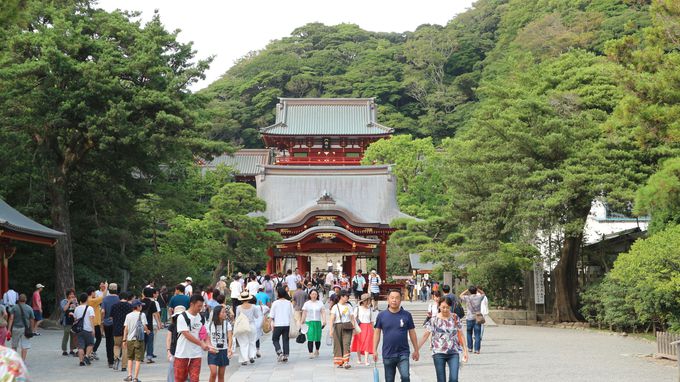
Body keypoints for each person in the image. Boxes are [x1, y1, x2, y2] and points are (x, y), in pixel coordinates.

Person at [417, 297, 468, 382]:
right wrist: (416, 349)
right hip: (438, 353)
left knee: (454, 379)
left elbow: (461, 335)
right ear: (439, 306)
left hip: (453, 352)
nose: (445, 309)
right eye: (443, 307)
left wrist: (465, 350)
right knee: (441, 380)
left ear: (450, 307)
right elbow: (425, 335)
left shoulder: (455, 317)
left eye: (447, 307)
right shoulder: (434, 319)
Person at [373, 289, 420, 382]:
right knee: (389, 379)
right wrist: (374, 350)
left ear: (401, 300)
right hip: (388, 353)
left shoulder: (407, 315)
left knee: (405, 376)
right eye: (392, 298)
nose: (394, 300)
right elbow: (377, 333)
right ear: (388, 299)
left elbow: (412, 332)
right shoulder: (381, 315)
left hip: (403, 352)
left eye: (397, 298)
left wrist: (416, 350)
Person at [175, 294, 211, 382]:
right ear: (192, 304)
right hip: (182, 353)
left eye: (201, 306)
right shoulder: (182, 317)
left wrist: (209, 345)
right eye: (199, 306)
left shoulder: (201, 317)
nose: (200, 308)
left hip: (196, 354)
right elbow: (186, 334)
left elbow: (205, 333)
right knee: (180, 379)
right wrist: (201, 343)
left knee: (195, 379)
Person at [123, 299, 150, 382]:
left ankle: (129, 376)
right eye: (140, 305)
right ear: (137, 306)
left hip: (130, 339)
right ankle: (135, 378)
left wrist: (124, 340)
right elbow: (144, 326)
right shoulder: (142, 315)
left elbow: (126, 329)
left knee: (130, 358)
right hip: (139, 340)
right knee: (138, 359)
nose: (141, 307)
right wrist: (148, 331)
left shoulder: (128, 315)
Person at [206, 305, 233, 382]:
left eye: (225, 312)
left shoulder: (227, 324)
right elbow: (207, 338)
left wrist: (229, 349)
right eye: (223, 312)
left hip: (223, 350)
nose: (225, 314)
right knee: (213, 373)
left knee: (221, 375)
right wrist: (210, 347)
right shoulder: (210, 324)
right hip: (213, 351)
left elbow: (230, 338)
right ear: (218, 313)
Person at [329, 290, 355, 369]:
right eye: (346, 296)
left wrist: (354, 328)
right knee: (338, 344)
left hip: (347, 326)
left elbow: (352, 317)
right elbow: (332, 319)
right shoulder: (335, 307)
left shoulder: (349, 306)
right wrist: (331, 330)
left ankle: (346, 362)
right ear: (341, 297)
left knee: (346, 344)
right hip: (338, 326)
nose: (347, 298)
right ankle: (340, 362)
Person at [234, 291, 261, 366]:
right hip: (251, 325)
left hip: (242, 326)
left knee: (243, 343)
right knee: (252, 342)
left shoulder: (238, 308)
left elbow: (237, 318)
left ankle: (245, 359)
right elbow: (256, 316)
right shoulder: (253, 307)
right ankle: (252, 356)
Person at [269, 287, 293, 362]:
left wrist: (270, 324)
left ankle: (279, 353)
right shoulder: (289, 303)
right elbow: (291, 314)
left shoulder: (275, 303)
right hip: (287, 324)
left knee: (275, 339)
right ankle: (286, 355)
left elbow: (271, 315)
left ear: (278, 294)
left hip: (278, 324)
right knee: (285, 339)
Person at [351, 293, 375, 365]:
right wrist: (353, 328)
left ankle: (366, 360)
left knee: (367, 343)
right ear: (363, 301)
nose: (368, 302)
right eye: (367, 300)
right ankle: (359, 358)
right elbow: (353, 319)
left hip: (368, 327)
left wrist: (373, 330)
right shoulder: (357, 309)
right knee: (359, 343)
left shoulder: (370, 309)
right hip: (359, 327)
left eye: (369, 300)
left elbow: (372, 320)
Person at [110, 291, 132, 372]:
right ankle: (124, 366)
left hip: (117, 328)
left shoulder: (114, 306)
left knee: (116, 346)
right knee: (125, 347)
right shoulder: (130, 306)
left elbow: (111, 318)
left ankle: (116, 358)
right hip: (127, 329)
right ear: (127, 298)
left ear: (119, 297)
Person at [460, 286, 485, 354]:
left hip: (469, 317)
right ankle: (477, 350)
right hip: (477, 318)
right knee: (477, 334)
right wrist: (478, 289)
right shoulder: (479, 297)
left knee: (469, 333)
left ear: (470, 291)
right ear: (476, 291)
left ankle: (470, 348)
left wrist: (467, 290)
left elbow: (460, 295)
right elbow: (483, 294)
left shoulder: (467, 297)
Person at [8, 294, 34, 361]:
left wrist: (8, 329)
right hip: (25, 329)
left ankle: (15, 361)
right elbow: (32, 320)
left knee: (14, 346)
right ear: (25, 299)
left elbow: (11, 319)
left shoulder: (14, 307)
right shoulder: (29, 308)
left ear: (18, 299)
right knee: (24, 346)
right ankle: (23, 361)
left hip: (15, 328)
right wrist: (31, 329)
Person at [300, 289, 325, 358]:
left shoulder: (320, 303)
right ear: (310, 295)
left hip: (317, 322)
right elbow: (304, 313)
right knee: (310, 338)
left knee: (317, 338)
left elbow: (323, 312)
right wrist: (302, 321)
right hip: (309, 322)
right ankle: (310, 352)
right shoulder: (307, 303)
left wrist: (324, 321)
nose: (314, 295)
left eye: (315, 294)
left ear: (317, 295)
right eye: (312, 294)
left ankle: (317, 350)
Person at [73, 292, 96, 366]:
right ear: (87, 299)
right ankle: (86, 356)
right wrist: (93, 329)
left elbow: (75, 319)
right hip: (88, 329)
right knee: (90, 344)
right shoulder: (90, 308)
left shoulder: (76, 308)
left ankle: (81, 361)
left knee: (80, 346)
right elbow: (91, 319)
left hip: (79, 330)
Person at [102, 283, 120, 367]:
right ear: (116, 290)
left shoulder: (105, 299)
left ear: (109, 290)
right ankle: (116, 357)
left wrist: (102, 320)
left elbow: (102, 311)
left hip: (107, 322)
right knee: (116, 342)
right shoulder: (118, 299)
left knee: (108, 341)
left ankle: (110, 361)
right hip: (116, 322)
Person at [86, 284, 106, 360]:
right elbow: (103, 297)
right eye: (94, 292)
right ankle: (92, 352)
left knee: (92, 339)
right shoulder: (92, 300)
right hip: (94, 322)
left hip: (91, 322)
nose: (95, 293)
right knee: (98, 338)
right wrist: (106, 287)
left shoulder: (88, 299)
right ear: (92, 292)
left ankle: (90, 352)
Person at [166, 305, 185, 382]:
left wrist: (168, 351)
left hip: (180, 350)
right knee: (173, 370)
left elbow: (168, 338)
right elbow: (168, 338)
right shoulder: (172, 325)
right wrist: (168, 351)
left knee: (172, 370)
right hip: (176, 350)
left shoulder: (172, 325)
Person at [142, 287, 161, 364]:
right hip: (149, 324)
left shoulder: (140, 302)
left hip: (141, 325)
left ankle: (140, 357)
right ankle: (149, 357)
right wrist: (159, 323)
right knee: (150, 341)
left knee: (141, 341)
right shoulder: (152, 303)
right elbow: (155, 314)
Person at [60, 289, 78, 356]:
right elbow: (64, 309)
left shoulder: (75, 301)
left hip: (74, 321)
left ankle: (71, 350)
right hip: (66, 321)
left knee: (73, 336)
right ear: (67, 295)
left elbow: (78, 309)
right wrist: (69, 302)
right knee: (66, 336)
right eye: (70, 294)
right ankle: (64, 350)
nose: (72, 295)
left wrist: (75, 303)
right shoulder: (64, 301)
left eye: (73, 294)